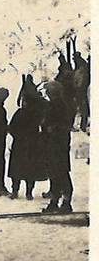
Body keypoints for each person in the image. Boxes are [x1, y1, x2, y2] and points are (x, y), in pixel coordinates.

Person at [7, 83, 45, 199]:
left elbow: (12, 127)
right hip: (33, 144)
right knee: (31, 170)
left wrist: (17, 136)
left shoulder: (20, 113)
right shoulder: (37, 114)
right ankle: (29, 192)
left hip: (20, 144)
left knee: (17, 169)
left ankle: (15, 191)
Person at [41, 81, 74, 212]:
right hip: (53, 142)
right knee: (55, 172)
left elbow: (65, 124)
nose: (47, 93)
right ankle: (55, 200)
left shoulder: (60, 105)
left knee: (60, 171)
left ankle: (65, 201)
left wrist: (52, 128)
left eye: (49, 91)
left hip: (58, 143)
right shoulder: (54, 105)